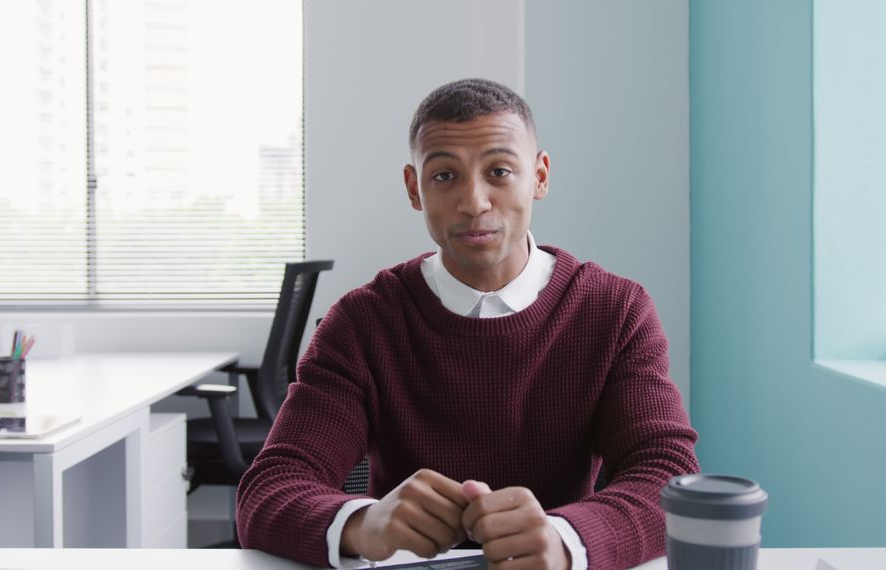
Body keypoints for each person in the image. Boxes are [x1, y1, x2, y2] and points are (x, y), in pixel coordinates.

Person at [236, 78, 700, 570]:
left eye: (499, 171)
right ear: (415, 188)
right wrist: (362, 523)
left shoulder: (615, 311)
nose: (474, 202)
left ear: (539, 177)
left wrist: (566, 540)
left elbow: (666, 474)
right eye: (444, 176)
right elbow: (270, 488)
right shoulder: (361, 323)